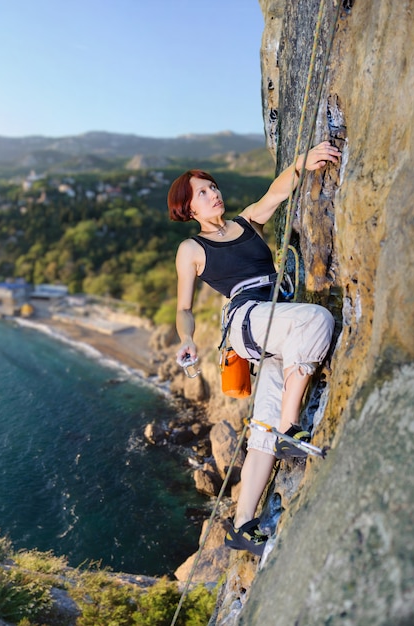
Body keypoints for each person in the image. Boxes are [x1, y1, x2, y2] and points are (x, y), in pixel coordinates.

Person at [167, 141, 340, 555]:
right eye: (202, 192)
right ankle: (290, 427)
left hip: (273, 323)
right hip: (248, 320)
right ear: (188, 208)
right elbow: (183, 308)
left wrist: (302, 162)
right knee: (318, 320)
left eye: (213, 186)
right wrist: (187, 338)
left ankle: (242, 527)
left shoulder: (246, 223)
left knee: (260, 432)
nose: (213, 194)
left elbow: (276, 193)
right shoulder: (192, 249)